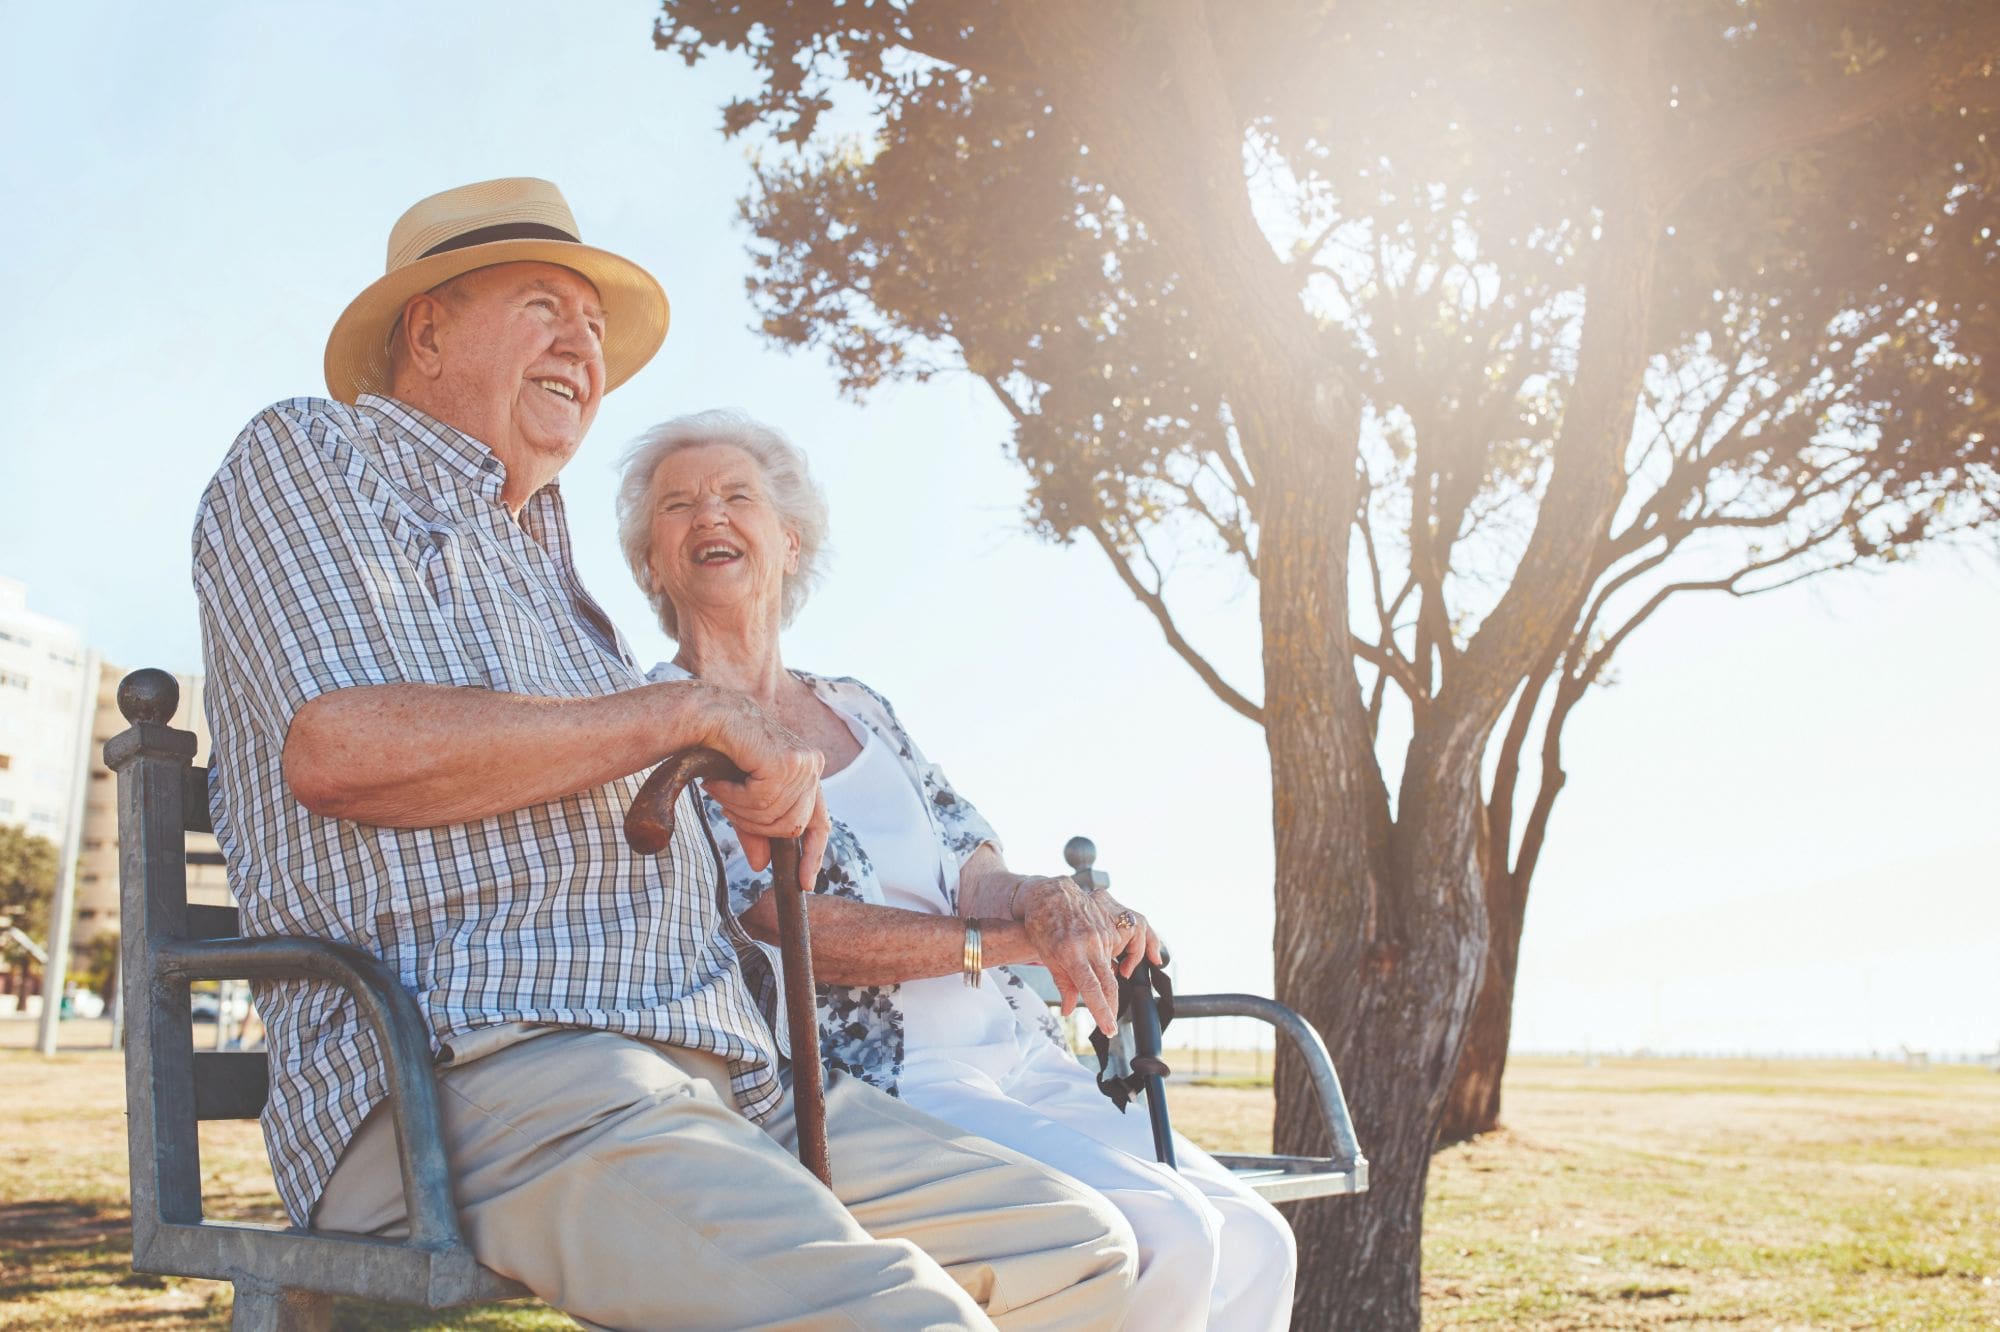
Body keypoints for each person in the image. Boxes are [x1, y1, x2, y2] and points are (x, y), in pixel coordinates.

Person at [192, 177, 1138, 1331]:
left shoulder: (552, 572)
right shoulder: (316, 454)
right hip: (485, 1062)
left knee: (1077, 1251)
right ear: (425, 329)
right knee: (901, 1322)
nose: (580, 346)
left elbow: (626, 792)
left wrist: (742, 818)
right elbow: (336, 748)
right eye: (544, 306)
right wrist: (682, 718)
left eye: (593, 328)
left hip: (724, 1074)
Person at [617, 410, 1298, 1332]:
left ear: (790, 541)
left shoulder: (859, 705)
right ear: (652, 562)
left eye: (738, 496)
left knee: (1258, 1242)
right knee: (1169, 1235)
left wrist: (1057, 908)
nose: (711, 516)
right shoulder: (670, 723)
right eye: (678, 505)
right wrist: (1004, 940)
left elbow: (971, 860)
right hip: (882, 1080)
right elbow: (778, 921)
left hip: (1014, 1047)